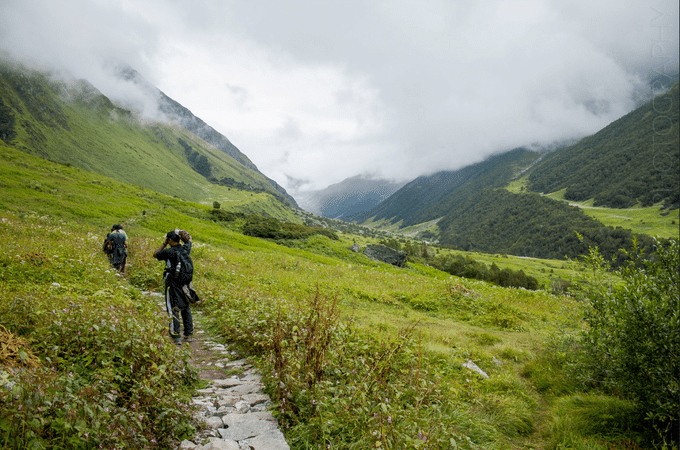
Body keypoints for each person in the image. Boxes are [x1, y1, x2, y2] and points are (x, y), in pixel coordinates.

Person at [153, 229, 194, 345]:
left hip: (172, 284)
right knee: (186, 307)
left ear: (170, 240)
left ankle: (176, 336)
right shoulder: (186, 249)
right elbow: (189, 241)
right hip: (185, 283)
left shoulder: (168, 252)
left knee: (173, 308)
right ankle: (188, 334)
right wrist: (184, 237)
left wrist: (164, 243)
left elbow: (155, 254)